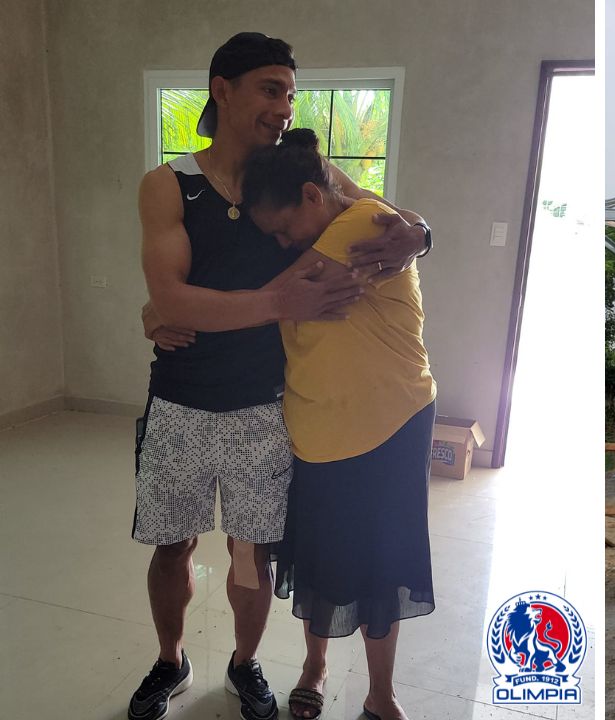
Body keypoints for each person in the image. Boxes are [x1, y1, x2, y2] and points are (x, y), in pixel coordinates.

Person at [130, 32, 430, 720]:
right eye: (271, 89)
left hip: (267, 403)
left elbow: (384, 217)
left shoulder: (306, 169)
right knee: (170, 544)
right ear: (222, 89)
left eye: (290, 94)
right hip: (180, 394)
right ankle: (169, 658)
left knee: (254, 553)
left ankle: (245, 662)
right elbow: (170, 297)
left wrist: (423, 231)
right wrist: (231, 306)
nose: (283, 108)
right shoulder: (169, 184)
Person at [240, 127, 436, 720]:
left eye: (282, 227)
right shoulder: (338, 219)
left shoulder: (365, 225)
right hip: (317, 429)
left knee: (383, 560)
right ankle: (315, 668)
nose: (279, 242)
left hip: (391, 423)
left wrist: (177, 307)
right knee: (321, 560)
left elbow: (278, 295)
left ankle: (381, 695)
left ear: (311, 195)